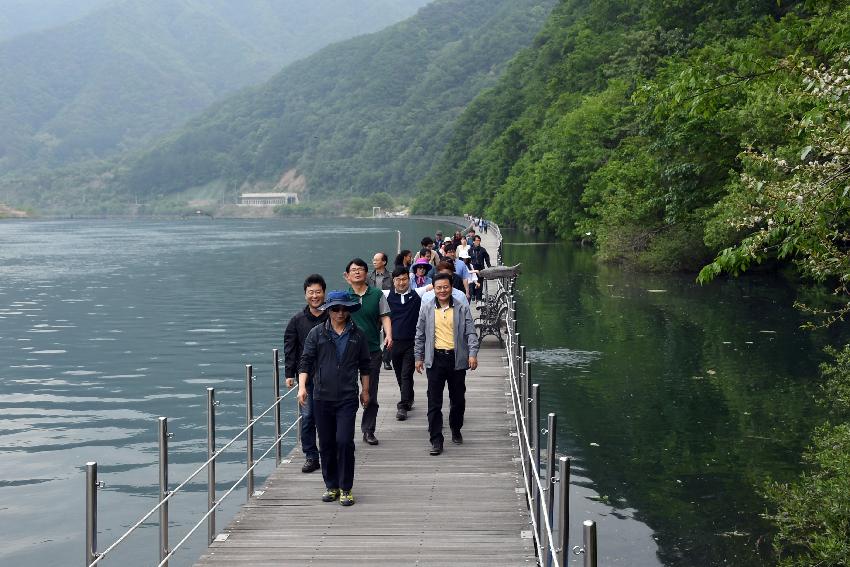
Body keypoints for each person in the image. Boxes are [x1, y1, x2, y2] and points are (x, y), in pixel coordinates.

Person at [298, 291, 371, 506]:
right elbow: (306, 362)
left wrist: (365, 391)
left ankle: (346, 487)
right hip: (321, 396)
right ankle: (331, 485)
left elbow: (365, 366)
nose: (341, 312)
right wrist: (302, 387)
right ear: (328, 310)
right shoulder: (317, 334)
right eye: (336, 308)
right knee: (327, 443)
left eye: (344, 308)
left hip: (347, 396)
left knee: (344, 441)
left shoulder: (358, 334)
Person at [414, 273, 479, 455]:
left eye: (445, 287)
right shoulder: (426, 308)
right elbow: (419, 334)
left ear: (451, 288)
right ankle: (436, 440)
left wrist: (472, 354)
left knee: (457, 399)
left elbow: (471, 333)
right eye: (438, 287)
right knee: (434, 401)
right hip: (435, 359)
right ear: (433, 288)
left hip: (456, 359)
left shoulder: (461, 307)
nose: (442, 291)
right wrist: (418, 357)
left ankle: (456, 428)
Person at [283, 274, 328, 473]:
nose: (315, 296)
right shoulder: (297, 321)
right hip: (307, 377)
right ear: (305, 295)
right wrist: (289, 373)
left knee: (328, 417)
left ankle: (329, 451)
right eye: (311, 292)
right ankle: (311, 455)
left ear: (324, 293)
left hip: (330, 376)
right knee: (308, 417)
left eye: (318, 292)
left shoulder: (333, 315)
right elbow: (290, 348)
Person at [345, 258, 392, 445]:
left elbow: (385, 316)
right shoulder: (343, 297)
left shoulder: (377, 294)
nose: (357, 272)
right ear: (347, 275)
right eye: (353, 270)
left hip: (372, 350)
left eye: (361, 269)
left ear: (367, 273)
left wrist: (389, 335)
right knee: (347, 393)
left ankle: (368, 430)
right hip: (346, 352)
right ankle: (345, 431)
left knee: (370, 393)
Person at [386, 266, 421, 421]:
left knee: (406, 373)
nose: (401, 283)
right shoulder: (387, 298)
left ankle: (403, 406)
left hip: (411, 342)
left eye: (404, 279)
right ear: (393, 281)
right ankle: (409, 397)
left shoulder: (416, 297)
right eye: (398, 280)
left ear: (409, 279)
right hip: (394, 343)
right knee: (400, 374)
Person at [469, 235, 491, 301]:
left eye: (479, 240)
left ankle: (479, 298)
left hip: (481, 268)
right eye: (476, 240)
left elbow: (487, 258)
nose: (478, 242)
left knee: (480, 283)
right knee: (473, 282)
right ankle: (473, 294)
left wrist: (489, 265)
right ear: (473, 241)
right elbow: (467, 259)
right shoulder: (470, 250)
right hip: (473, 269)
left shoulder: (482, 250)